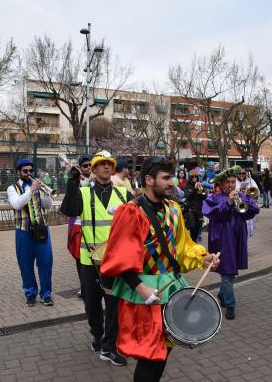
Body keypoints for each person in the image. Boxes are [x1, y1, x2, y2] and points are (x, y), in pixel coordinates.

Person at [100, 156, 220, 382]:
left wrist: (203, 258)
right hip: (145, 296)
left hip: (171, 289)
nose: (171, 182)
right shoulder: (131, 212)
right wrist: (142, 289)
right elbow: (118, 258)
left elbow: (183, 246)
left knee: (164, 351)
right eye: (165, 178)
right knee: (150, 356)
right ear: (149, 180)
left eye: (171, 177)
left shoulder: (174, 208)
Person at [60, 151, 131, 366]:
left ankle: (109, 346)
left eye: (110, 164)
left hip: (114, 259)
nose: (107, 168)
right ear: (93, 169)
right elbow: (67, 209)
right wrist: (72, 182)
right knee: (92, 304)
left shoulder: (122, 194)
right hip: (89, 259)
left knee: (113, 303)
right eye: (101, 165)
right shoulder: (83, 192)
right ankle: (97, 334)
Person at [203, 166, 259, 320]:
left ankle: (222, 294)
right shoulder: (213, 197)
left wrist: (242, 201)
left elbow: (254, 210)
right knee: (227, 271)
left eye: (233, 182)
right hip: (222, 238)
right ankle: (230, 305)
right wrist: (228, 203)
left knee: (231, 271)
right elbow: (211, 212)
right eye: (227, 182)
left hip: (237, 236)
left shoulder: (240, 194)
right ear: (220, 184)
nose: (231, 185)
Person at [7, 159, 54, 307]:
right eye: (25, 171)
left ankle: (46, 294)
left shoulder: (39, 187)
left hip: (42, 230)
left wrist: (47, 194)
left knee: (46, 263)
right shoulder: (12, 188)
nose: (28, 174)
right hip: (24, 232)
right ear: (18, 172)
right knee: (26, 265)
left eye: (30, 171)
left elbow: (48, 206)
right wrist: (31, 190)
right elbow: (17, 204)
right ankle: (30, 293)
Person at [63, 154, 93, 299]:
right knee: (80, 260)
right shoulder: (76, 182)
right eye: (85, 166)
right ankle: (83, 286)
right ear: (80, 168)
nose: (88, 168)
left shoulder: (98, 181)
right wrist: (73, 181)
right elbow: (68, 204)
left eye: (90, 165)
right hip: (77, 226)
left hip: (94, 227)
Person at [182, 168, 205, 241]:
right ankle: (193, 244)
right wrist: (195, 189)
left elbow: (204, 197)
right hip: (190, 210)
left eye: (196, 177)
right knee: (193, 229)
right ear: (190, 178)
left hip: (199, 210)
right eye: (193, 177)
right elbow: (188, 197)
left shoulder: (200, 186)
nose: (194, 178)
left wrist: (201, 190)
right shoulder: (187, 186)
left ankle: (194, 244)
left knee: (198, 228)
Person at [236, 168, 259, 237]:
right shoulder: (234, 181)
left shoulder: (251, 181)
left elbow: (257, 192)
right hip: (238, 206)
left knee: (249, 227)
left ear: (246, 173)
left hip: (248, 205)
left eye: (243, 173)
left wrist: (248, 192)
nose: (241, 175)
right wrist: (240, 190)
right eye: (239, 174)